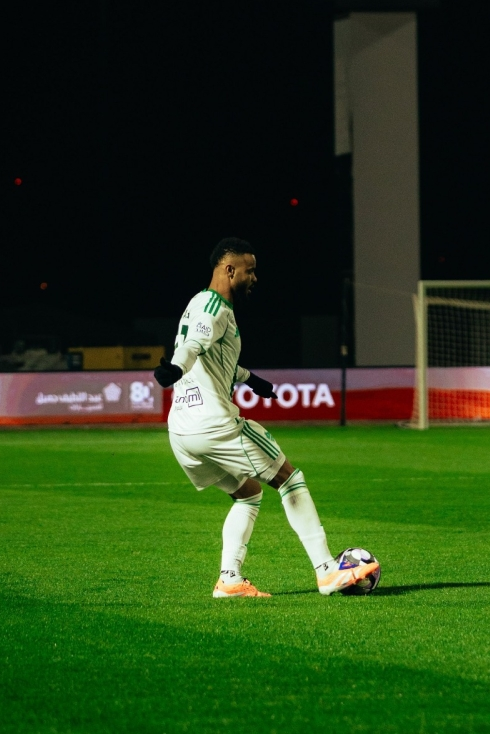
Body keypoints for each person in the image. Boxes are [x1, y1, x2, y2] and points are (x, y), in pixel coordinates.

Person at [153, 237, 379, 598]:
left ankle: (229, 580)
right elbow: (192, 347)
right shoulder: (216, 308)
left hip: (181, 430)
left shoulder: (198, 302)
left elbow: (213, 358)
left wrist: (249, 379)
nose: (255, 277)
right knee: (290, 479)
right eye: (250, 270)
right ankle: (326, 570)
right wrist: (175, 369)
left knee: (248, 494)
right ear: (230, 270)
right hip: (215, 425)